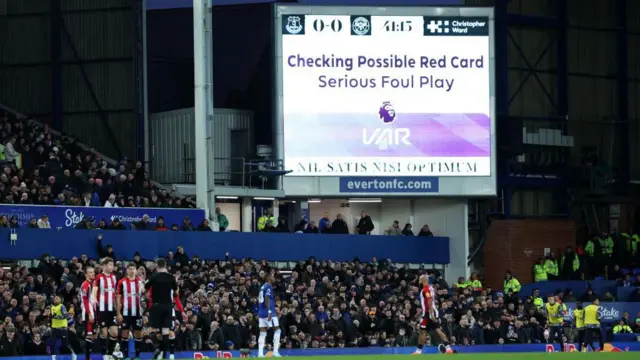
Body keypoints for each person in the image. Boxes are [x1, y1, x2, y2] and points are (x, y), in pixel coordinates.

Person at [145, 258, 179, 360]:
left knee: (157, 331)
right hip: (168, 306)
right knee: (165, 331)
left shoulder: (153, 276)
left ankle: (160, 350)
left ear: (156, 265)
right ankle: (164, 352)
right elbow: (176, 293)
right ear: (165, 265)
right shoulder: (171, 277)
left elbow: (144, 289)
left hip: (156, 306)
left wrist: (143, 283)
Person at [412, 274, 454, 354]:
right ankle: (448, 349)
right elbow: (426, 302)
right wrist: (421, 311)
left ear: (423, 280)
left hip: (428, 313)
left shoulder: (426, 289)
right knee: (437, 330)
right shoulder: (430, 287)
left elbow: (430, 300)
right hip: (430, 312)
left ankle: (418, 351)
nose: (419, 280)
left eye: (420, 278)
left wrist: (431, 314)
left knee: (423, 331)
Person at [92, 257, 121, 360]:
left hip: (111, 309)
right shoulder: (99, 277)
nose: (112, 267)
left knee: (114, 333)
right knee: (103, 333)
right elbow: (94, 289)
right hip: (102, 309)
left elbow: (116, 292)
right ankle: (104, 355)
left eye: (112, 265)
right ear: (104, 266)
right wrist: (94, 298)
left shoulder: (114, 277)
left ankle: (110, 353)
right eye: (110, 265)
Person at [116, 263, 144, 360]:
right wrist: (118, 313)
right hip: (125, 313)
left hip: (138, 313)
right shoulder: (122, 282)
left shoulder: (140, 281)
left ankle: (137, 356)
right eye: (130, 269)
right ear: (127, 270)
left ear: (136, 270)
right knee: (125, 334)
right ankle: (126, 356)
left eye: (134, 269)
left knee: (138, 335)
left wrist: (144, 283)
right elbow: (118, 298)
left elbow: (145, 292)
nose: (132, 271)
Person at [258, 273, 281, 357]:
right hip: (268, 312)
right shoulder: (268, 286)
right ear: (268, 278)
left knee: (262, 333)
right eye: (272, 276)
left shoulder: (262, 287)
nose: (273, 277)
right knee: (277, 330)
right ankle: (275, 352)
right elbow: (267, 298)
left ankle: (260, 354)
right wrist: (270, 311)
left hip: (261, 312)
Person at [50, 295, 77, 360]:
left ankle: (73, 354)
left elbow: (65, 315)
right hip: (54, 328)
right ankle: (53, 358)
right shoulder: (52, 307)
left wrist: (57, 317)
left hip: (62, 328)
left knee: (66, 344)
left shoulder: (61, 306)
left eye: (57, 298)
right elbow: (52, 317)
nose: (55, 299)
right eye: (55, 298)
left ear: (60, 300)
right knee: (52, 343)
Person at [79, 266, 96, 360]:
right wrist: (89, 313)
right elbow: (85, 301)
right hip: (88, 312)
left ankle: (88, 357)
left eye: (93, 272)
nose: (92, 273)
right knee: (89, 335)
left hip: (93, 311)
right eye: (90, 272)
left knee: (92, 335)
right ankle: (87, 358)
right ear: (86, 274)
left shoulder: (92, 283)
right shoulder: (86, 284)